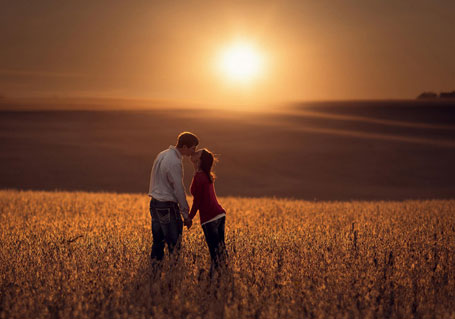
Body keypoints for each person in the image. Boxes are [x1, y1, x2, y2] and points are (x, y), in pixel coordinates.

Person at [148, 132, 198, 261]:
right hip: (167, 205)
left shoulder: (162, 154)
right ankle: (173, 275)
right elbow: (179, 189)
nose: (194, 151)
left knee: (158, 242)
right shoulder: (174, 161)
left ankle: (154, 275)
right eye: (193, 148)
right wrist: (186, 215)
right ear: (185, 146)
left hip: (154, 204)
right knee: (174, 245)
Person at [189, 148, 227, 274]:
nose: (195, 152)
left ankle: (213, 281)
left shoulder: (199, 177)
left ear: (200, 160)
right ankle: (224, 276)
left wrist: (190, 217)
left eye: (198, 153)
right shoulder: (206, 175)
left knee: (214, 253)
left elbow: (197, 201)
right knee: (221, 250)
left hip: (210, 218)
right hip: (219, 214)